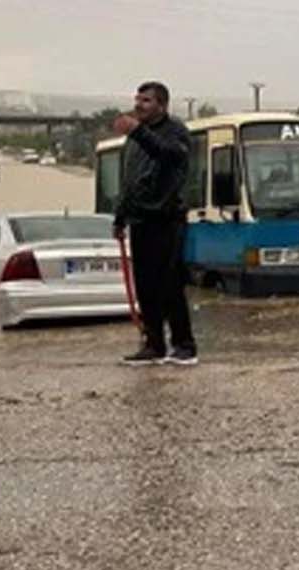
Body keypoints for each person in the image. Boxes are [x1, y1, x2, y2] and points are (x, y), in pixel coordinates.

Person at [112, 81, 197, 366]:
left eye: (146, 101)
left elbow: (170, 155)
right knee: (145, 286)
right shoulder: (134, 141)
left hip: (167, 219)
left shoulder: (176, 132)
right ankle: (154, 344)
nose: (139, 105)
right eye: (137, 100)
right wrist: (120, 216)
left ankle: (184, 345)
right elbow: (130, 181)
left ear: (162, 105)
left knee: (169, 284)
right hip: (140, 220)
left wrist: (138, 132)